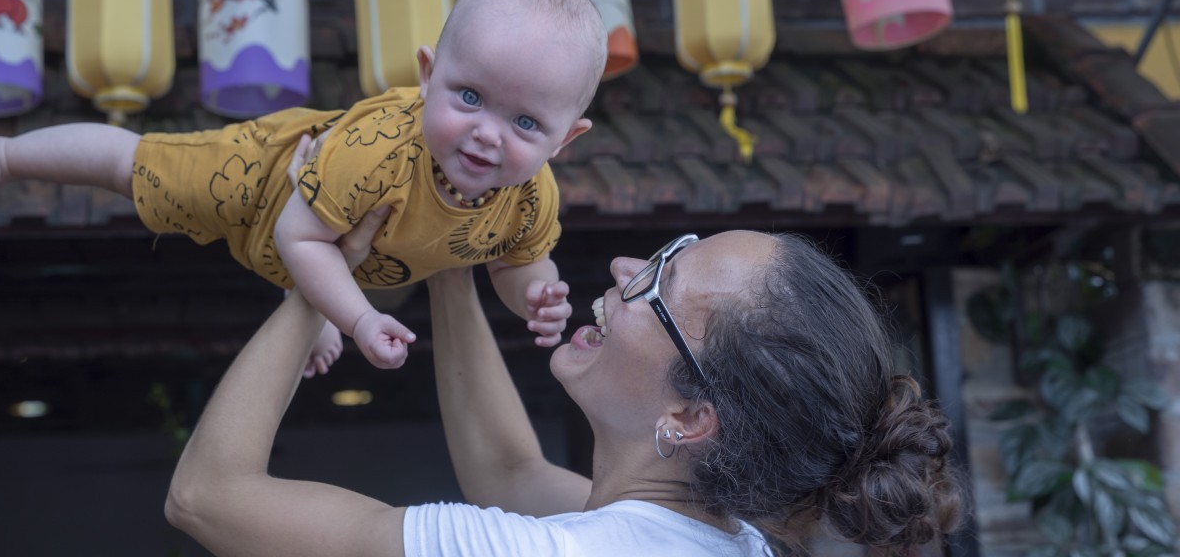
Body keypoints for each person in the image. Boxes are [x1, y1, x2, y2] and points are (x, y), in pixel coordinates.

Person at [165, 201, 966, 554]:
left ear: (691, 420)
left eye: (657, 282)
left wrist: (323, 271)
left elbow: (207, 498)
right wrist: (449, 246)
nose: (622, 267)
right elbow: (505, 472)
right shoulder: (717, 539)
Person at [0, 0, 606, 375]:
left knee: (334, 270)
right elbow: (301, 237)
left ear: (564, 140)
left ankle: (318, 305)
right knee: (134, 165)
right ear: (427, 76)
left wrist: (535, 298)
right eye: (469, 97)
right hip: (265, 182)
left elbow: (517, 261)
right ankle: (3, 152)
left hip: (341, 249)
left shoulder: (528, 199)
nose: (487, 134)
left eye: (525, 124)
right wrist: (357, 320)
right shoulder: (376, 153)